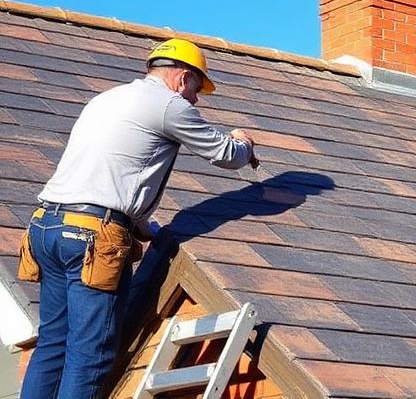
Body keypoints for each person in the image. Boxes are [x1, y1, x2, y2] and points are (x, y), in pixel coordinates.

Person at [17, 38, 259, 398]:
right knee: (90, 354)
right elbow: (225, 154)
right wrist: (244, 143)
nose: (195, 99)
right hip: (90, 238)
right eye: (196, 88)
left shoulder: (106, 99)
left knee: (54, 342)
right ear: (182, 77)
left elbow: (113, 173)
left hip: (46, 226)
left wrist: (142, 227)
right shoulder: (168, 105)